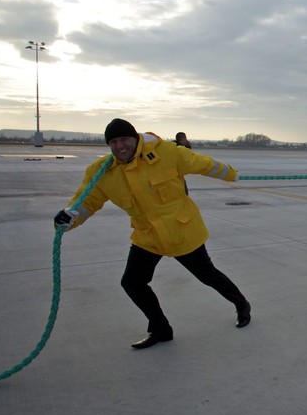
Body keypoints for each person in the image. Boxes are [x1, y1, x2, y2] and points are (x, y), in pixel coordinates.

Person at [53, 118, 251, 350]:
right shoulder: (101, 172)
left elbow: (203, 164)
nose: (120, 146)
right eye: (113, 142)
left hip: (182, 230)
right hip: (148, 237)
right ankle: (160, 328)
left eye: (124, 139)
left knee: (208, 276)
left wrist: (231, 174)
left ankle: (242, 305)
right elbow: (87, 202)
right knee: (132, 283)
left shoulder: (166, 153)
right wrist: (69, 219)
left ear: (135, 138)